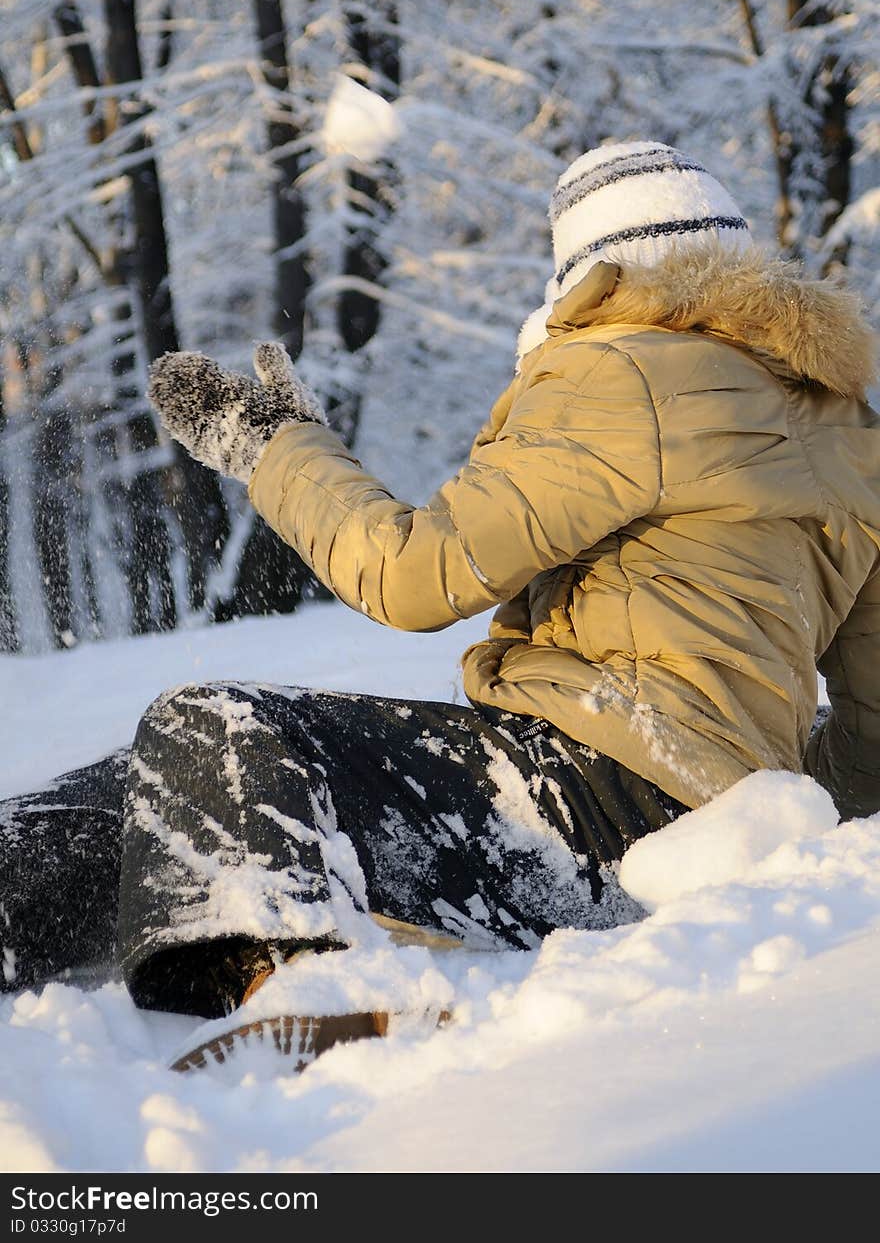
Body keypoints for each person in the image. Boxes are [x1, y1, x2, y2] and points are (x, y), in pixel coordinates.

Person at [3, 141, 879, 1062]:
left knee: (215, 731)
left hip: (592, 805)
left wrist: (275, 447)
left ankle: (292, 992)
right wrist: (757, 790)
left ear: (592, 275)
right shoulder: (848, 427)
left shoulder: (627, 368)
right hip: (682, 822)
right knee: (178, 783)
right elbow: (868, 735)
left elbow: (412, 575)